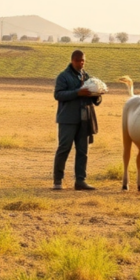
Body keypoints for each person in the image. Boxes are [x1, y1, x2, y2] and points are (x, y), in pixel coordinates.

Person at [53, 49, 101, 190]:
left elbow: (96, 100)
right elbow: (58, 95)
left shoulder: (86, 76)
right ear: (72, 61)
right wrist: (77, 93)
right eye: (79, 61)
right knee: (64, 149)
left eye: (83, 61)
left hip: (84, 119)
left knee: (83, 151)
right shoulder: (63, 76)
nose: (81, 63)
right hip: (68, 119)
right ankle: (57, 181)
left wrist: (97, 94)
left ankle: (80, 181)